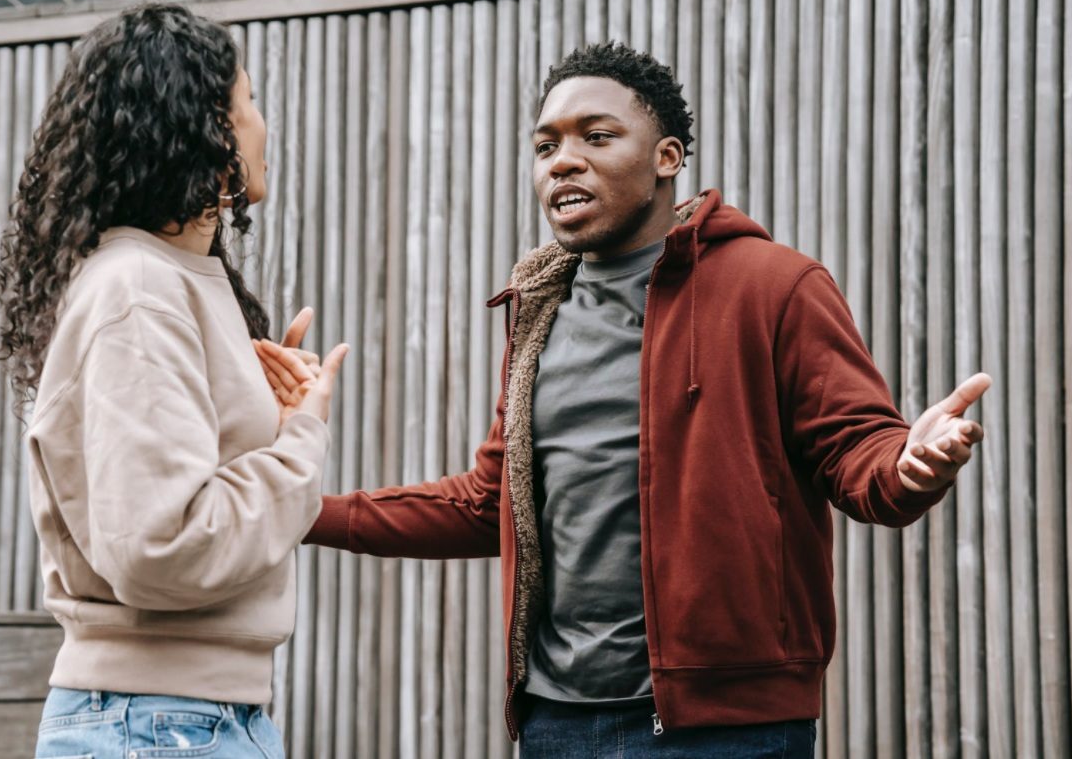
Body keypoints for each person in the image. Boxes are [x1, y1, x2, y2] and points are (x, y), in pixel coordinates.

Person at [258, 41, 989, 758]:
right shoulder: (539, 311)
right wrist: (298, 509)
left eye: (596, 137)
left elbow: (858, 456)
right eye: (545, 146)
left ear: (667, 157)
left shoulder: (775, 285)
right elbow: (492, 502)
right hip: (555, 722)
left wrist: (908, 463)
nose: (563, 160)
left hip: (728, 727)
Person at [0, 3, 347, 759]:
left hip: (185, 718)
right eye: (247, 102)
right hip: (159, 723)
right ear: (205, 128)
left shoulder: (178, 282)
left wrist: (273, 424)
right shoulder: (140, 288)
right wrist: (302, 442)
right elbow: (163, 547)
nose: (261, 126)